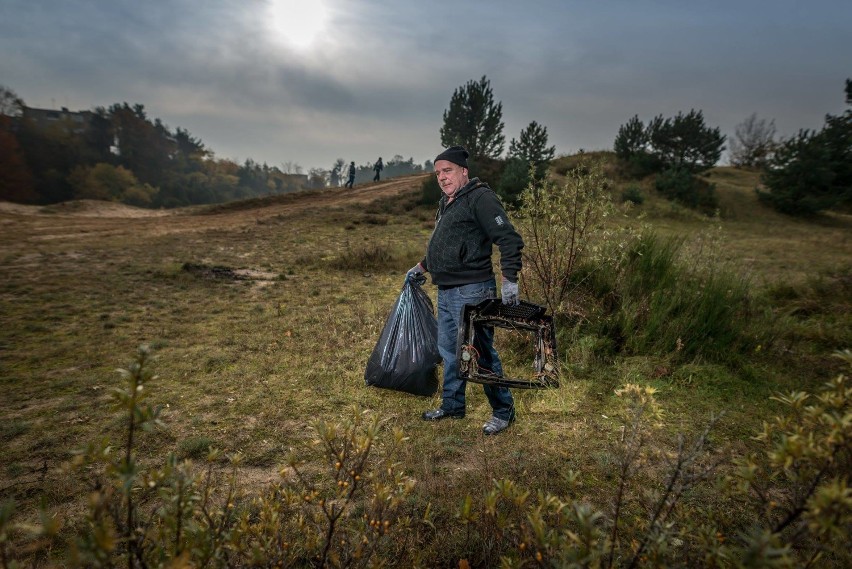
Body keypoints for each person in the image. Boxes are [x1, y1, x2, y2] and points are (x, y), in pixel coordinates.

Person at [407, 146, 523, 435]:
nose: (442, 178)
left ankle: (503, 411)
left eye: (448, 171)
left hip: (473, 291)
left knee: (479, 353)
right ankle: (453, 406)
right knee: (449, 351)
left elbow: (508, 238)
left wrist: (509, 279)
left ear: (463, 171)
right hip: (446, 290)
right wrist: (422, 266)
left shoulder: (480, 198)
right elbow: (446, 243)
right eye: (438, 173)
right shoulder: (447, 201)